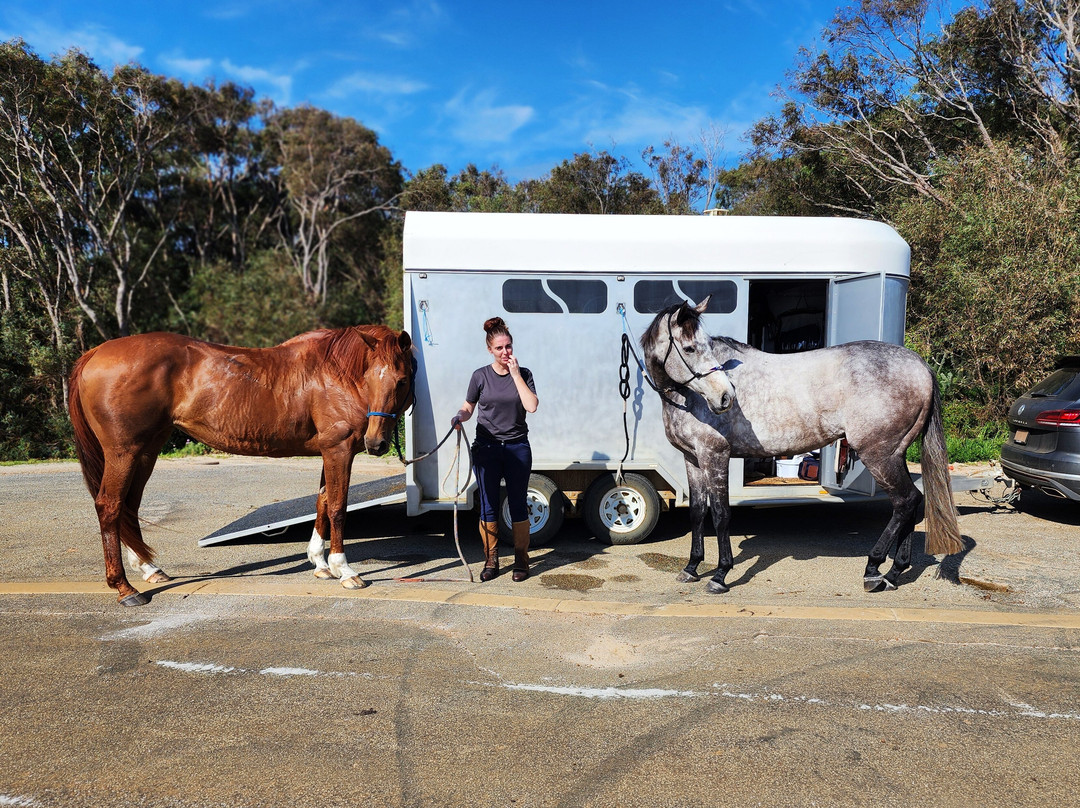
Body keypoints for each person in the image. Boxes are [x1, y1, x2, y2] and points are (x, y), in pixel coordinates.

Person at [452, 317, 539, 582]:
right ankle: (491, 560)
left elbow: (532, 406)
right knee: (488, 506)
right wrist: (460, 416)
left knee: (517, 505)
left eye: (509, 347)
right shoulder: (480, 375)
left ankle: (521, 561)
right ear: (490, 349)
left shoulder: (524, 374)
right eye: (500, 348)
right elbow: (468, 406)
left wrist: (515, 375)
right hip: (487, 448)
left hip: (517, 447)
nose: (505, 353)